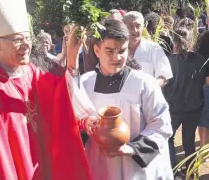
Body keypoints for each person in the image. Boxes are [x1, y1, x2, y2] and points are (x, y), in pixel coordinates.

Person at [0, 0, 92, 180]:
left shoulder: (31, 72)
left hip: (43, 168)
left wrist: (71, 59)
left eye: (27, 38)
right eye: (17, 40)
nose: (26, 45)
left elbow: (59, 97)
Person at [68, 19, 173, 180]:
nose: (116, 57)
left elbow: (161, 125)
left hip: (135, 168)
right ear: (97, 50)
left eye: (122, 51)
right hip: (98, 166)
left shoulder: (144, 83)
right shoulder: (84, 84)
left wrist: (132, 148)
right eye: (109, 51)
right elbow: (72, 119)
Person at [162, 27, 209, 178]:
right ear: (191, 40)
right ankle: (191, 171)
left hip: (173, 107)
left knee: (169, 138)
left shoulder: (168, 60)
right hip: (194, 106)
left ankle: (172, 170)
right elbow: (208, 82)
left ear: (174, 42)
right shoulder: (200, 58)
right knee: (189, 139)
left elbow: (162, 83)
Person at [123, 11, 173, 87]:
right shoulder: (116, 49)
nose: (135, 30)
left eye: (138, 26)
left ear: (143, 27)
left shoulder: (154, 49)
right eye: (130, 26)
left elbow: (163, 75)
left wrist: (150, 88)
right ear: (123, 27)